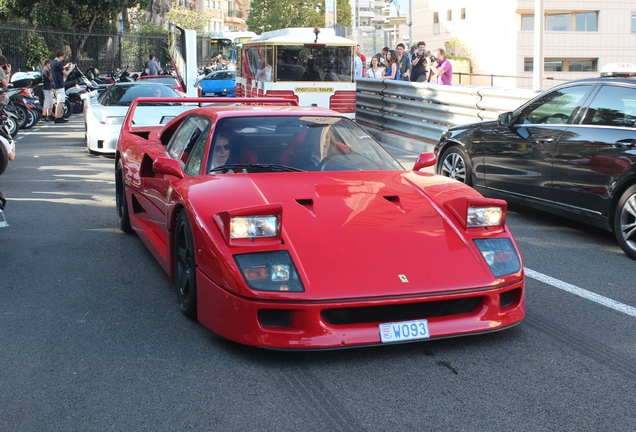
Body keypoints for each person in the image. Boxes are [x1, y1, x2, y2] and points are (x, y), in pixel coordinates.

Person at [50, 50, 74, 124]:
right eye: (63, 57)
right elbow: (66, 73)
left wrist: (65, 66)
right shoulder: (59, 64)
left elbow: (59, 69)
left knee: (58, 101)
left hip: (54, 85)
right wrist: (70, 68)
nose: (63, 58)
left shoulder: (52, 63)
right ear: (60, 56)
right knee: (60, 102)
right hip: (59, 85)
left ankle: (59, 117)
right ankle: (58, 117)